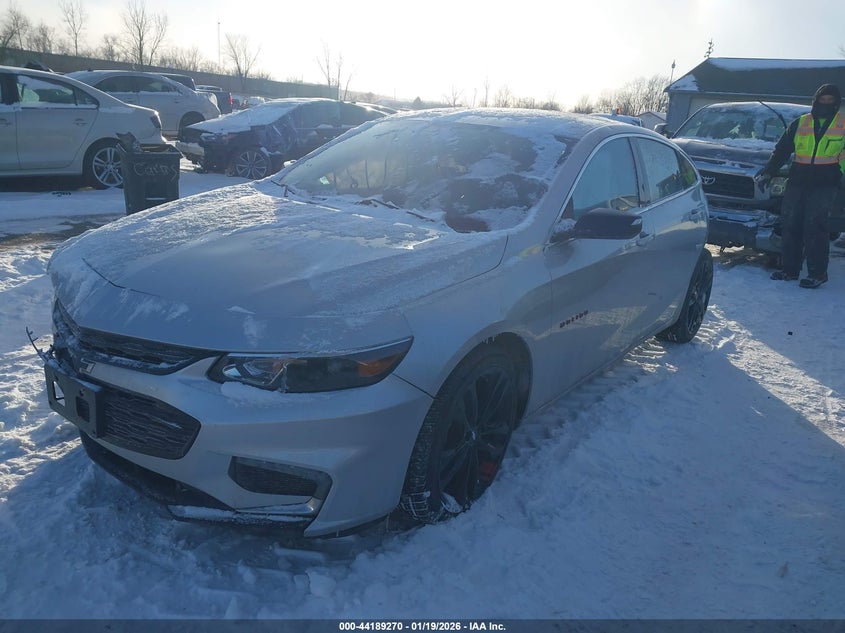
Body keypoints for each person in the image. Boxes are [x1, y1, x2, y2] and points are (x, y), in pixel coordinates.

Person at [757, 83, 845, 288]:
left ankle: (817, 273)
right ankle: (789, 270)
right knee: (791, 224)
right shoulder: (800, 123)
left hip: (826, 183)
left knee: (815, 225)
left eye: (830, 101)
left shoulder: (842, 124)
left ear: (836, 103)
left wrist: (841, 175)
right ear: (815, 101)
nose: (825, 104)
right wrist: (769, 171)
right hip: (798, 180)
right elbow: (782, 150)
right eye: (822, 100)